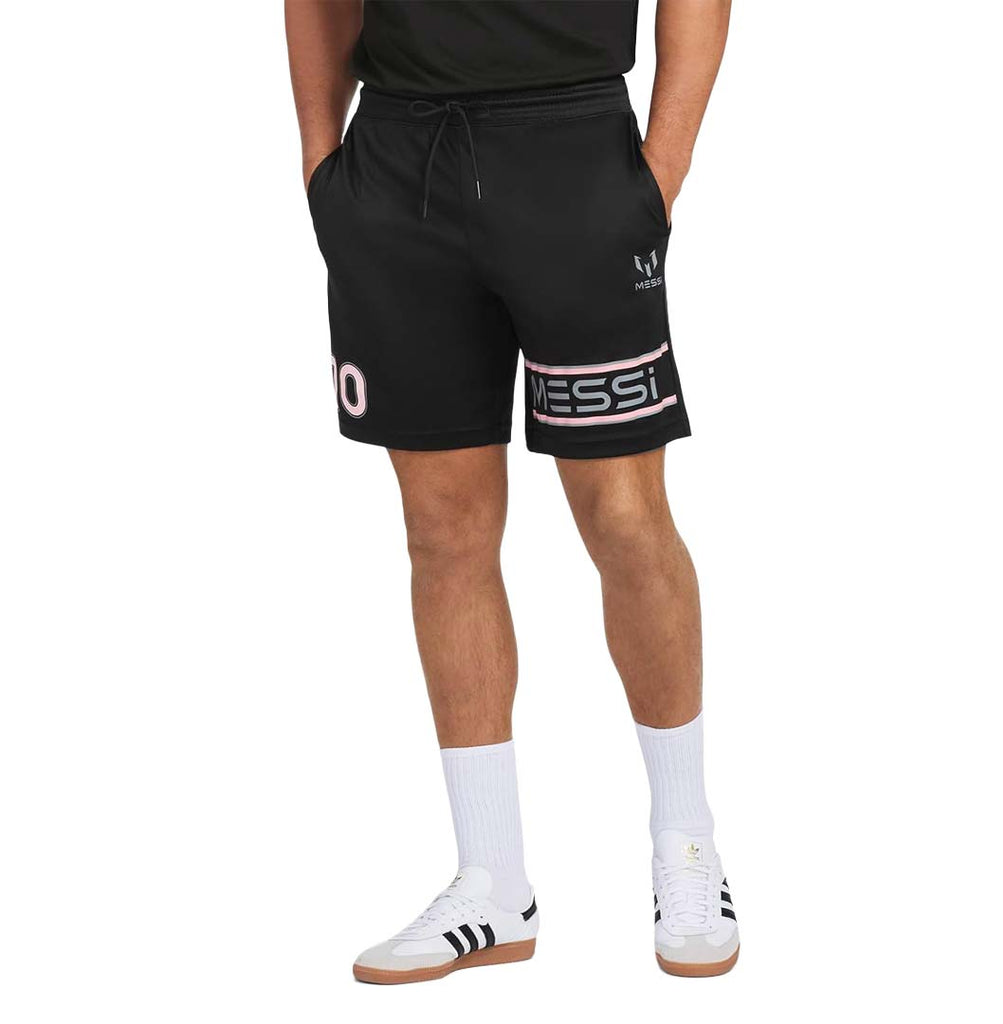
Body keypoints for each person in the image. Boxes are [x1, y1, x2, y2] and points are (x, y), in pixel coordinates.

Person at [286, 0, 735, 983]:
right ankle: (493, 882)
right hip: (395, 163)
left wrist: (660, 174)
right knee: (442, 529)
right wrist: (322, 163)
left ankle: (686, 843)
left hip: (573, 153)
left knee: (623, 515)